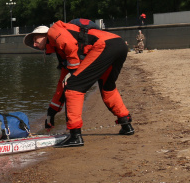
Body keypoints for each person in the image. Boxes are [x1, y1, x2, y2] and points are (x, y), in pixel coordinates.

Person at [23, 20, 134, 148]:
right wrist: (51, 112)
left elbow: (69, 44)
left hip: (104, 45)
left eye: (35, 38)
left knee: (73, 87)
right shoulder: (64, 54)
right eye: (32, 43)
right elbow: (62, 83)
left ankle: (75, 136)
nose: (34, 44)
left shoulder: (54, 31)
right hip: (118, 44)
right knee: (107, 87)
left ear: (45, 34)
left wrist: (74, 71)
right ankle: (126, 124)